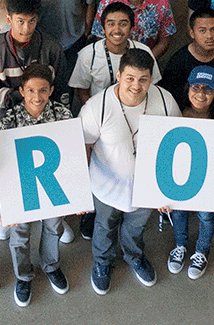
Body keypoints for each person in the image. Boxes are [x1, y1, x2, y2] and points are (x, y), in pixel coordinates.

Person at [81, 48, 180, 295]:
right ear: (118, 75)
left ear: (151, 77)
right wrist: (80, 190)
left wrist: (168, 191)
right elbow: (83, 146)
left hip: (147, 189)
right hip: (105, 187)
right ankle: (102, 263)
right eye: (130, 78)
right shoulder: (97, 107)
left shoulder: (166, 101)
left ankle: (133, 256)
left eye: (143, 79)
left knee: (134, 230)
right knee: (104, 228)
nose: (136, 85)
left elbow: (178, 143)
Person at [0, 64, 72, 307]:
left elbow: (72, 158)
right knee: (19, 235)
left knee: (53, 228)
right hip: (22, 189)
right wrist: (6, 204)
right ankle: (23, 275)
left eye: (42, 90)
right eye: (30, 91)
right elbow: (0, 163)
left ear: (51, 90)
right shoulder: (11, 118)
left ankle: (50, 265)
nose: (37, 97)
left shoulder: (63, 115)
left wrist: (75, 193)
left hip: (53, 187)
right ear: (21, 91)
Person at [166, 66, 214, 280]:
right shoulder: (174, 114)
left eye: (208, 90)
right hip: (178, 176)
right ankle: (180, 245)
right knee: (177, 212)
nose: (201, 94)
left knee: (206, 216)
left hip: (207, 180)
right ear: (188, 88)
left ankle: (201, 251)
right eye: (196, 87)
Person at [0, 0, 70, 126]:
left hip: (46, 119)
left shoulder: (52, 49)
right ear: (9, 19)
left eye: (32, 21)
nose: (26, 28)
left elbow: (61, 90)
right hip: (5, 119)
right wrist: (15, 103)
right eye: (20, 21)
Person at [70, 2, 161, 105]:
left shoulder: (144, 51)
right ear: (103, 29)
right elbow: (82, 92)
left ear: (131, 29)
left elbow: (153, 86)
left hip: (136, 107)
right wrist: (97, 114)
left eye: (123, 24)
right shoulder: (87, 55)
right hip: (101, 110)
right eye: (111, 24)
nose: (117, 30)